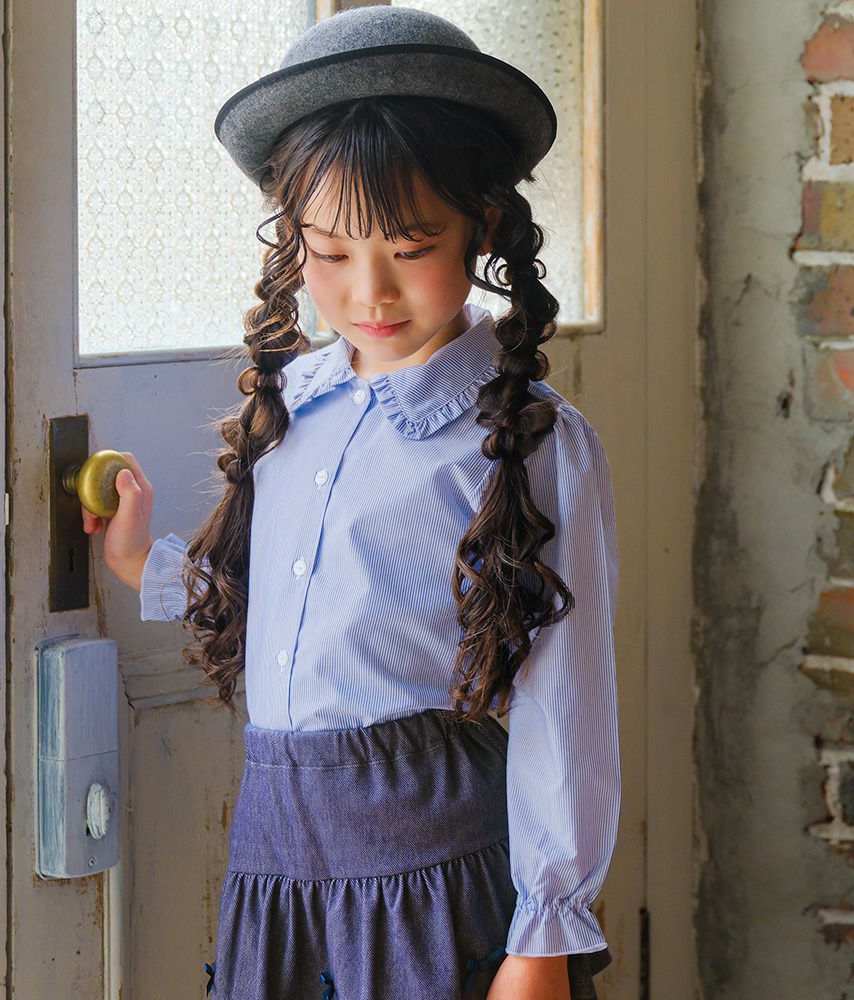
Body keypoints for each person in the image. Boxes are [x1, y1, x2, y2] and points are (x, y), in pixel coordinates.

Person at [84, 6, 621, 999]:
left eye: (410, 247)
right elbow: (307, 603)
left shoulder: (535, 440)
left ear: (483, 224)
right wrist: (145, 566)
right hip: (279, 863)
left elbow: (567, 698)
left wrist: (544, 934)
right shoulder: (296, 402)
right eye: (330, 252)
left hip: (435, 874)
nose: (369, 291)